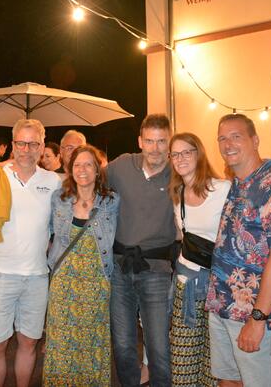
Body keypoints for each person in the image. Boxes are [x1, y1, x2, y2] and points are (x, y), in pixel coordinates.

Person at [206, 114, 271, 387]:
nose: (228, 144)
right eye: (222, 138)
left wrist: (258, 319)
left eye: (236, 136)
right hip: (223, 308)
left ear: (255, 140)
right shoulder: (239, 185)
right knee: (228, 381)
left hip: (254, 314)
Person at [0, 119, 61, 387]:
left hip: (37, 276)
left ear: (42, 145)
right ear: (12, 144)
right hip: (0, 274)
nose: (26, 149)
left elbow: (59, 225)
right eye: (21, 143)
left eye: (33, 144)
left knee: (28, 343)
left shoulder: (53, 181)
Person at [107, 113, 177, 387]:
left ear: (170, 142)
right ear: (140, 141)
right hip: (119, 267)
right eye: (149, 141)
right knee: (123, 344)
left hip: (156, 271)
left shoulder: (178, 172)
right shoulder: (121, 166)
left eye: (161, 141)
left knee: (158, 346)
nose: (155, 148)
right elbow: (85, 177)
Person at [43, 145, 119, 386]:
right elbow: (48, 233)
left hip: (97, 281)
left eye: (88, 164)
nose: (82, 170)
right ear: (70, 169)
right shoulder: (59, 199)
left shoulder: (111, 201)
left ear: (97, 170)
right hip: (64, 282)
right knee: (62, 342)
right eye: (77, 165)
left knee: (93, 342)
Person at [167, 133, 230, 387]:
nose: (180, 158)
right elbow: (183, 236)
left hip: (217, 284)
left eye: (186, 152)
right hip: (186, 282)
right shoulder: (178, 193)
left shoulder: (222, 189)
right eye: (175, 154)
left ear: (198, 153)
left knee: (213, 358)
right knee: (182, 355)